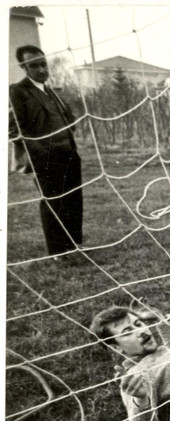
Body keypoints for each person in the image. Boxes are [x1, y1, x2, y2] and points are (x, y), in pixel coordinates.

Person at [8, 45, 84, 262]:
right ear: (24, 67)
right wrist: (40, 154)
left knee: (73, 200)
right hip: (47, 158)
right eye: (34, 66)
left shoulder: (51, 90)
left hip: (69, 153)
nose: (41, 69)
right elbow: (14, 129)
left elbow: (67, 119)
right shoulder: (18, 91)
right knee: (53, 202)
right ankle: (58, 252)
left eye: (43, 64)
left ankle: (73, 245)